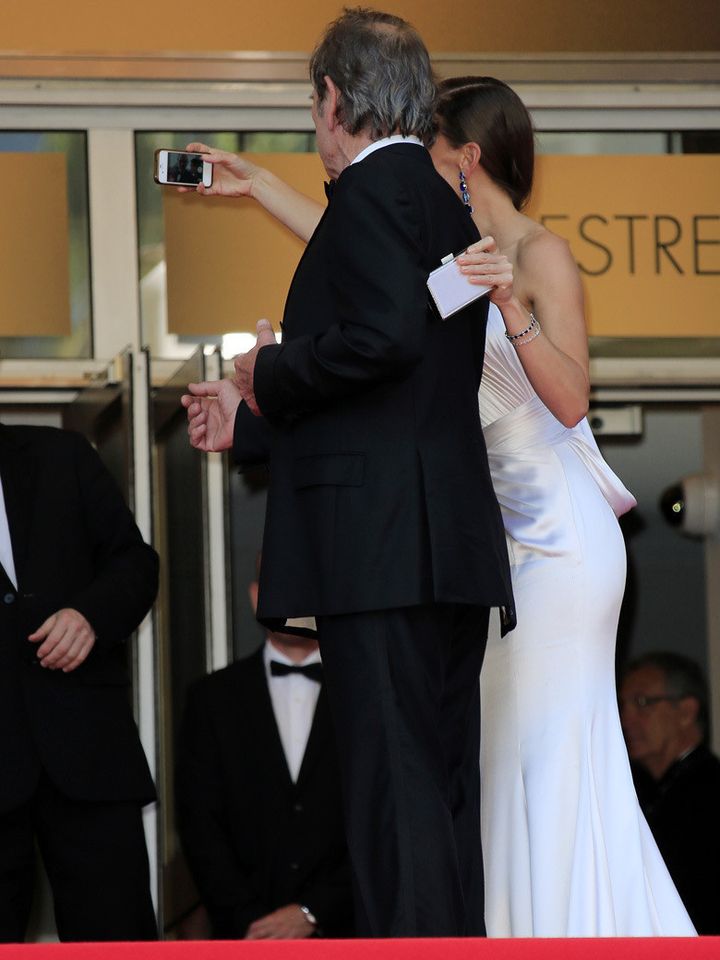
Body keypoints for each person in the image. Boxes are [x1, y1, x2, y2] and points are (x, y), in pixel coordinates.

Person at [180, 70, 696, 936]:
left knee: (544, 748)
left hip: (560, 541)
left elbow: (571, 402)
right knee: (489, 758)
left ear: (465, 156)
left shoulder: (536, 254)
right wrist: (257, 181)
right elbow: (348, 243)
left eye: (420, 153)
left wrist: (510, 308)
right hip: (489, 540)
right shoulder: (437, 256)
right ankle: (510, 933)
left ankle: (579, 929)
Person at [181, 8, 514, 938]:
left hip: (379, 550)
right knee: (440, 788)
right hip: (441, 542)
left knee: (392, 789)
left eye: (312, 102)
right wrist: (259, 416)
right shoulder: (442, 197)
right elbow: (395, 381)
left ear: (334, 98)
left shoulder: (369, 196)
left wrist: (268, 372)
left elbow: (380, 340)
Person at [0, 422, 159, 943]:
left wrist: (91, 615)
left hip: (88, 751)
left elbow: (135, 562)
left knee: (115, 939)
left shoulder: (60, 453)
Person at [176, 571, 354, 940]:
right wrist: (248, 921)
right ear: (255, 596)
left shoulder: (366, 697)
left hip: (348, 932)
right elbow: (199, 823)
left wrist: (314, 911)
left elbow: (383, 817)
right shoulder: (210, 699)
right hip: (241, 936)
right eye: (276, 584)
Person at [620, 652, 720, 934]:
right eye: (622, 706)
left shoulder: (711, 795)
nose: (626, 720)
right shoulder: (636, 792)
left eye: (642, 703)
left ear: (686, 712)